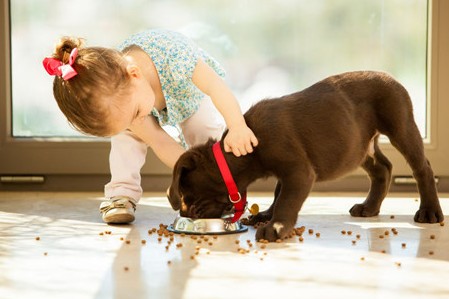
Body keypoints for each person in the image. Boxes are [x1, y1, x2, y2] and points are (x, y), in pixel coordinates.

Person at [43, 28, 258, 224]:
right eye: (127, 121)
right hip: (137, 98)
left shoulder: (176, 58)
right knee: (126, 140)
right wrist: (185, 176)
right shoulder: (125, 101)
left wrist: (237, 125)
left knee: (204, 129)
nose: (136, 122)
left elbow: (215, 86)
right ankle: (121, 194)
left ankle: (217, 191)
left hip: (188, 93)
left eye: (135, 114)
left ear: (135, 74)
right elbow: (159, 141)